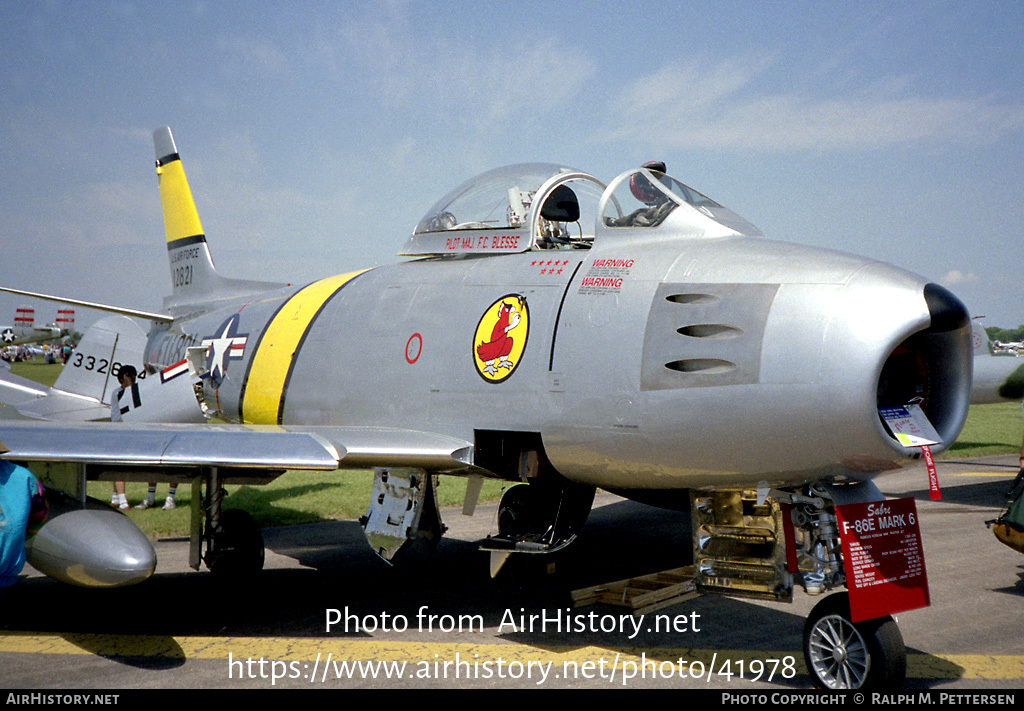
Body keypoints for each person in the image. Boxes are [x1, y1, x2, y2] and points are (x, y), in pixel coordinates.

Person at [0, 442, 48, 595]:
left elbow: (40, 514)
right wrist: (20, 536)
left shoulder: (25, 478)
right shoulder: (24, 477)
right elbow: (40, 516)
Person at [109, 365, 138, 510]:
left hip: (124, 431)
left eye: (133, 375)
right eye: (128, 375)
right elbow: (127, 398)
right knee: (121, 466)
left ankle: (115, 498)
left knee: (119, 465)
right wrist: (127, 383)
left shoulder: (130, 391)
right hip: (118, 431)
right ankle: (123, 502)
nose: (132, 377)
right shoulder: (118, 393)